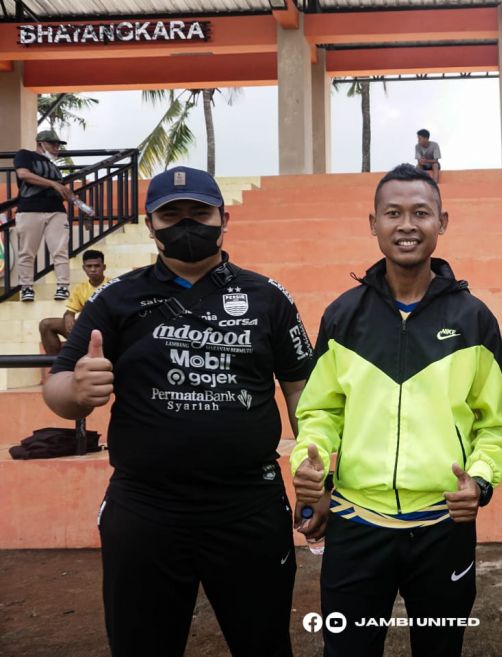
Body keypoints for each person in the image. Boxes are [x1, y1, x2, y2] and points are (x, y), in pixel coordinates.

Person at [42, 166, 313, 657]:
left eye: (199, 213)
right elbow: (58, 389)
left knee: (264, 643)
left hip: (248, 506)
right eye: (171, 214)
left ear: (223, 218)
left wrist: (314, 469)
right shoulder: (115, 299)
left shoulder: (268, 298)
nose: (186, 223)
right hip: (146, 509)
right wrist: (78, 389)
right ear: (150, 224)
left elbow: (301, 393)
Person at [291, 163, 502, 657]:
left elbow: (498, 424)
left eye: (421, 212)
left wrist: (478, 483)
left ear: (443, 221)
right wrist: (310, 464)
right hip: (356, 524)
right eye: (392, 213)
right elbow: (320, 413)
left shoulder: (473, 318)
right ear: (372, 223)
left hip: (443, 526)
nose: (407, 225)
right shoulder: (343, 315)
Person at [13, 129, 75, 302]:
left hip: (56, 210)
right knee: (27, 251)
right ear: (40, 143)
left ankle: (63, 286)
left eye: (58, 145)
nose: (56, 148)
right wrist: (53, 184)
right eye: (52, 144)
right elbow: (23, 174)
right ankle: (26, 288)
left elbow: (58, 188)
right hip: (30, 209)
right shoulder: (25, 155)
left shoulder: (55, 167)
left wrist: (66, 193)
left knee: (61, 250)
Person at [38, 249, 107, 355]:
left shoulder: (113, 285)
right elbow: (70, 311)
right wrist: (68, 316)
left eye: (96, 266)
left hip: (105, 331)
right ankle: (56, 365)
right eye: (89, 266)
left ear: (104, 267)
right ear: (84, 268)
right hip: (84, 330)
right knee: (45, 324)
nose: (93, 269)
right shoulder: (80, 288)